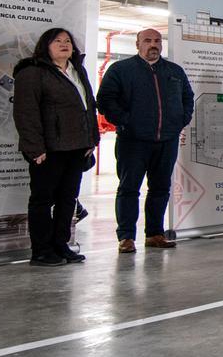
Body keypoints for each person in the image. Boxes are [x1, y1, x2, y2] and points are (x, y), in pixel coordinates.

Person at [97, 28, 193, 253]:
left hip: (166, 140)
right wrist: (126, 121)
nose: (154, 44)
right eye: (148, 40)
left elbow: (187, 98)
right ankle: (126, 237)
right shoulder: (121, 70)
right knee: (129, 188)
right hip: (133, 141)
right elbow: (105, 100)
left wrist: (180, 120)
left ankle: (154, 234)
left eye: (157, 41)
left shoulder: (174, 71)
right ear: (137, 44)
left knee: (160, 188)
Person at [12, 28, 98, 266]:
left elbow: (89, 107)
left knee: (67, 199)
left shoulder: (77, 71)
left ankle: (61, 245)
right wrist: (34, 148)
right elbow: (25, 113)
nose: (64, 44)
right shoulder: (33, 73)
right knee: (42, 200)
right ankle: (41, 250)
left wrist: (92, 140)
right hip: (48, 150)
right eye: (57, 41)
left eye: (68, 41)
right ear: (45, 46)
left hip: (76, 148)